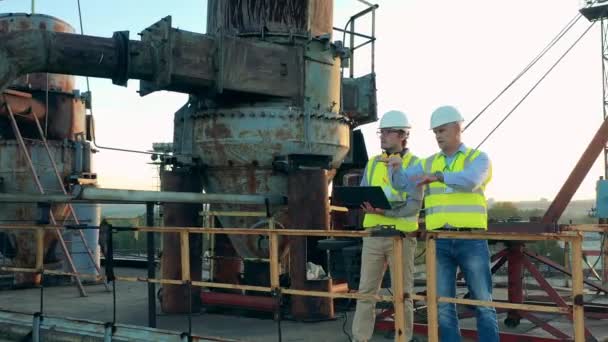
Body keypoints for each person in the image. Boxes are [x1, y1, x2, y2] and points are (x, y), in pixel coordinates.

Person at [388, 105, 498, 342]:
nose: (438, 136)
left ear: (459, 128)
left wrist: (439, 176)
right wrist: (396, 171)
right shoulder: (429, 163)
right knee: (443, 305)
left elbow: (470, 181)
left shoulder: (478, 159)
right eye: (435, 132)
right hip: (438, 241)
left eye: (442, 130)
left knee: (483, 303)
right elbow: (404, 184)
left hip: (471, 240)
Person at [352, 110, 422, 342]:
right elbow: (363, 192)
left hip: (401, 236)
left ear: (403, 135)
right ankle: (359, 338)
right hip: (373, 236)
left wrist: (386, 211)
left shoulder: (415, 165)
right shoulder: (372, 163)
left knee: (402, 294)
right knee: (365, 293)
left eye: (388, 132)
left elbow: (413, 207)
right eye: (381, 132)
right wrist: (361, 203)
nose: (382, 136)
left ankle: (403, 339)